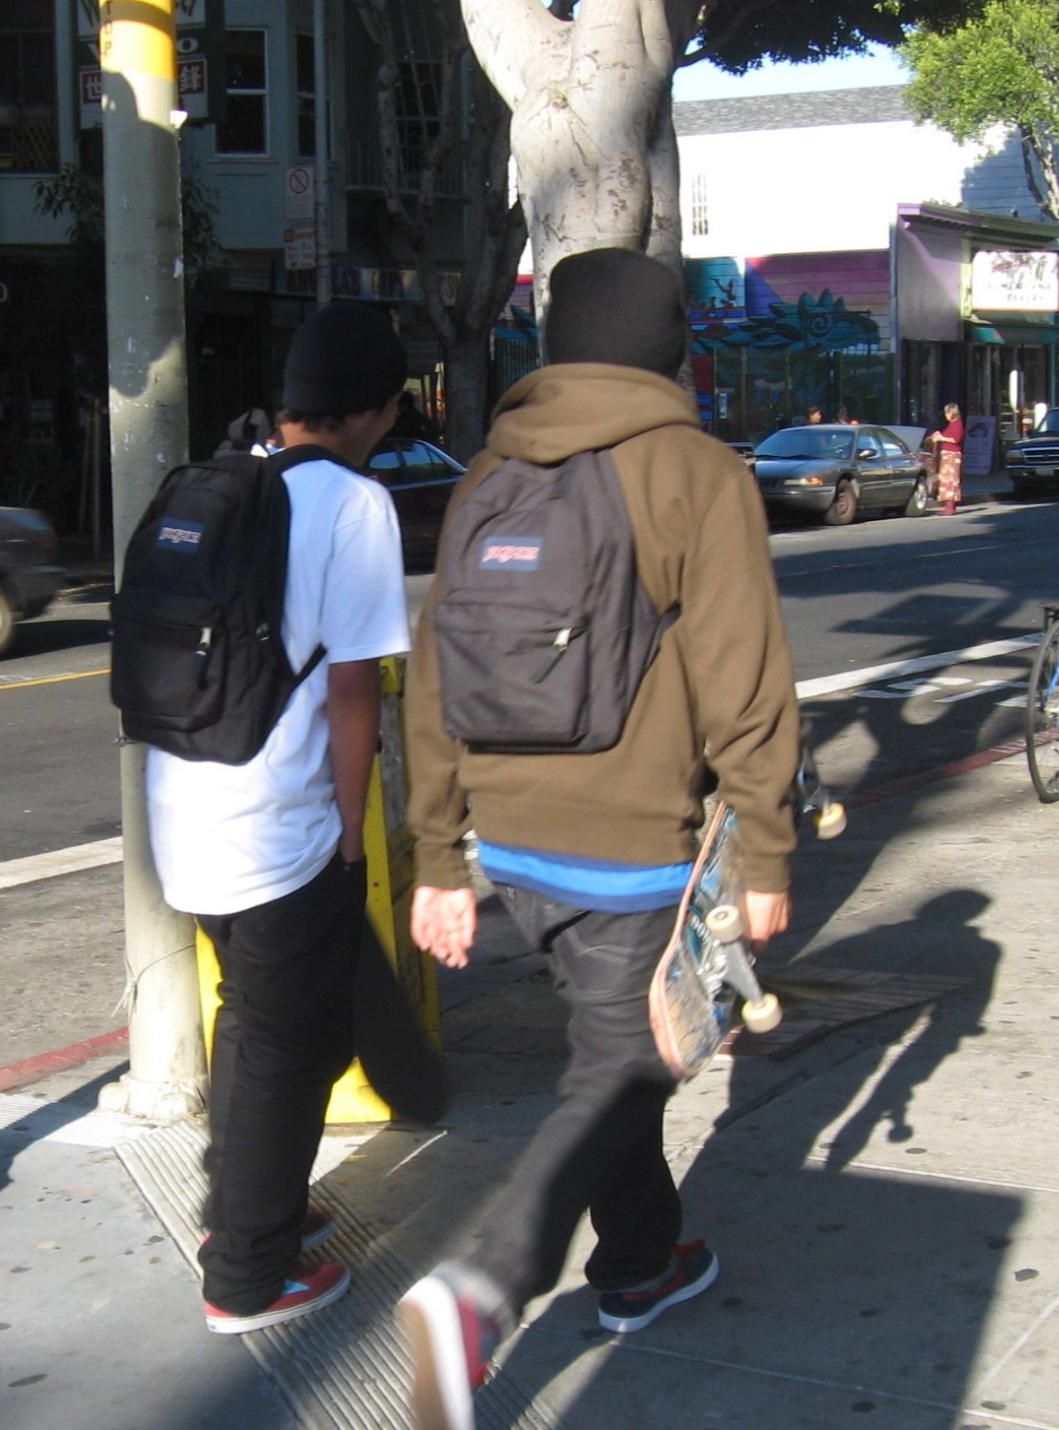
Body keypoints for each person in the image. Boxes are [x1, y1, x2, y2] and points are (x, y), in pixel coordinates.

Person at [394, 248, 803, 1430]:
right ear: (669, 346)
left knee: (605, 1046)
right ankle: (486, 1285)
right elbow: (743, 680)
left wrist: (438, 857)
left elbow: (435, 677)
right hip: (634, 847)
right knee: (620, 1067)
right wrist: (765, 849)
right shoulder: (694, 469)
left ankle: (638, 1259)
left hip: (511, 851)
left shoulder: (489, 471)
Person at [146, 301, 412, 1334]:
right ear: (375, 407)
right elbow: (354, 688)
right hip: (278, 823)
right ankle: (247, 1272)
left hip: (184, 804)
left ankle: (253, 1204)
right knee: (286, 1038)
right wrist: (350, 829)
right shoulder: (353, 503)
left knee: (260, 1018)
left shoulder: (229, 479)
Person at [929, 402, 965, 515]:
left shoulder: (957, 424)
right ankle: (949, 506)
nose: (946, 415)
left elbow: (956, 439)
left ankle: (950, 507)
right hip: (947, 455)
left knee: (950, 480)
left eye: (947, 413)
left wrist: (941, 438)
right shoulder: (952, 424)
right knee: (946, 480)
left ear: (952, 412)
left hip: (952, 456)